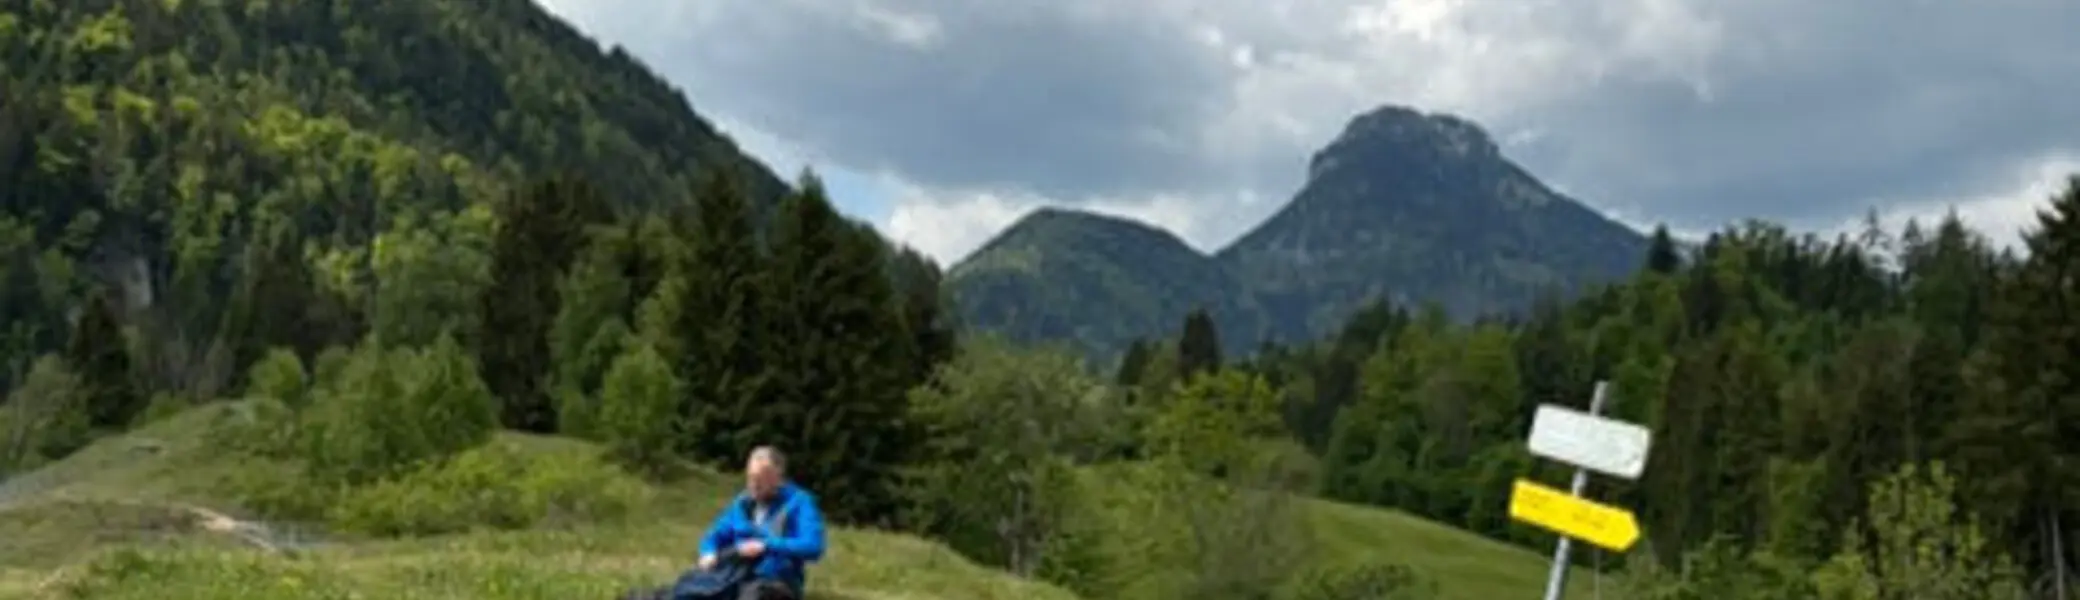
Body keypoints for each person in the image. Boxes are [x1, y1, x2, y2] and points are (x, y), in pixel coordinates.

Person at [692, 445, 826, 600]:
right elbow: (714, 535)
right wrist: (708, 552)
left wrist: (766, 546)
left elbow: (813, 546)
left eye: (761, 480)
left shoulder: (799, 502)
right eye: (751, 478)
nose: (754, 485)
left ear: (778, 478)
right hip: (735, 575)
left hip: (775, 581)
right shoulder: (742, 503)